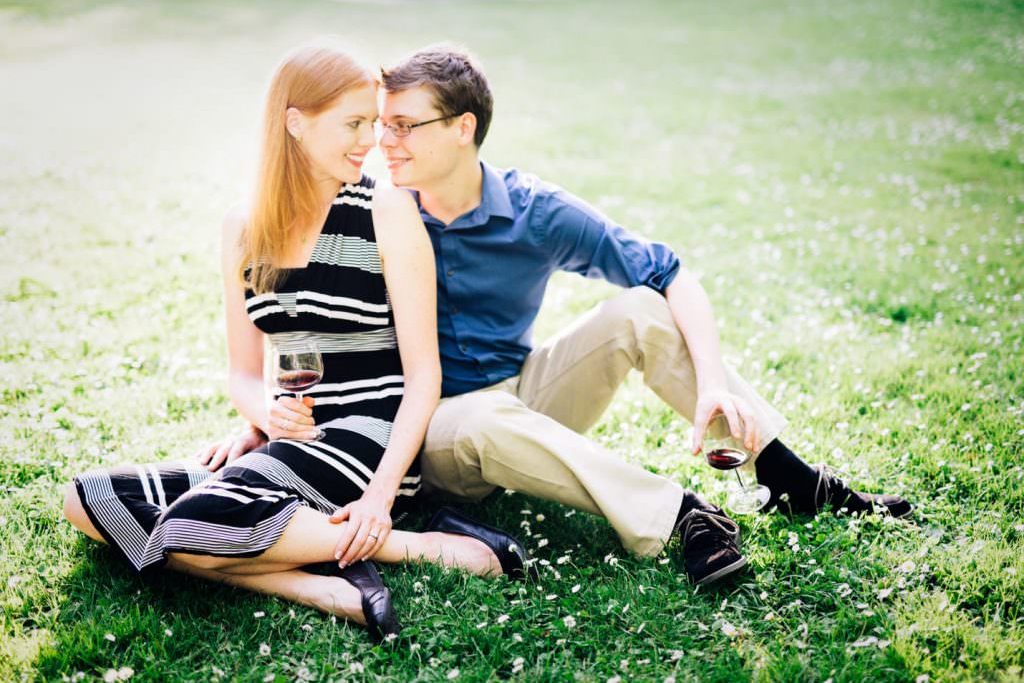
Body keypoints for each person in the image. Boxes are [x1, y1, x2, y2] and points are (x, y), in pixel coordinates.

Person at [202, 44, 912, 588]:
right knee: (482, 417)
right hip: (431, 427)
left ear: (463, 129)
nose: (382, 144)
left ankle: (787, 474)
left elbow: (671, 274)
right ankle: (680, 514)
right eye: (379, 126)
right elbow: (313, 320)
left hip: (521, 393)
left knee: (640, 308)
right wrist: (263, 416)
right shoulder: (380, 208)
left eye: (404, 127)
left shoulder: (533, 211)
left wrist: (716, 383)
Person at [62, 43, 533, 642]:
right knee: (88, 500)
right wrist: (267, 416)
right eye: (354, 124)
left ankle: (394, 538)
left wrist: (381, 497)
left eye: (375, 123)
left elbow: (423, 377)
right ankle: (339, 580)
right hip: (290, 440)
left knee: (186, 525)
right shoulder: (242, 228)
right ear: (295, 123)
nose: (371, 141)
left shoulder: (385, 210)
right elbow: (242, 373)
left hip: (370, 436)